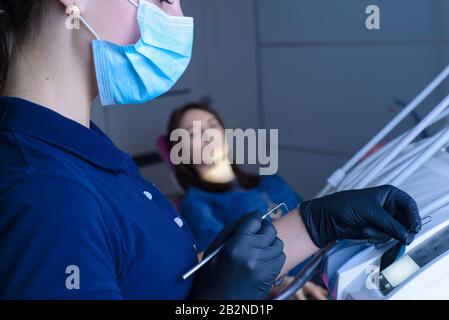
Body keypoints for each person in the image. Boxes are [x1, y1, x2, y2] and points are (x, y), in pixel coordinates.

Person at [0, 0, 421, 300]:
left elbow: (164, 281)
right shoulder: (42, 193)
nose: (177, 16)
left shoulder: (78, 144)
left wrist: (317, 224)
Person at [166, 102, 327, 300]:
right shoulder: (197, 203)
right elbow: (222, 269)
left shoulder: (270, 180)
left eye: (212, 126)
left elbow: (314, 219)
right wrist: (280, 283)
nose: (208, 136)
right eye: (193, 134)